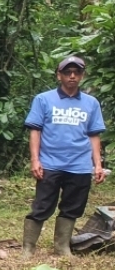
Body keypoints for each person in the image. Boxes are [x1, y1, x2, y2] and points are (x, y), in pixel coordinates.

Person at [22, 55, 106, 257]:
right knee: (42, 206)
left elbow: (93, 135)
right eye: (67, 72)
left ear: (82, 76)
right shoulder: (43, 99)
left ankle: (62, 247)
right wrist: (35, 159)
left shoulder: (91, 103)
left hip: (79, 165)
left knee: (72, 207)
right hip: (50, 163)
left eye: (76, 72)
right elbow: (35, 131)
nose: (72, 76)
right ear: (59, 75)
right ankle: (28, 248)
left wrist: (98, 164)